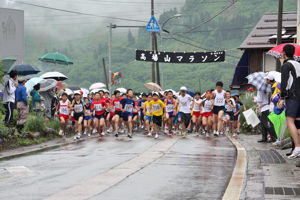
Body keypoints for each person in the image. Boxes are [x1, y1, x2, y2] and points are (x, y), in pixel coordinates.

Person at [279, 44, 300, 159]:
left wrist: (282, 97)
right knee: (298, 123)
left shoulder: (286, 65)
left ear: (284, 53)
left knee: (290, 122)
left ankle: (297, 148)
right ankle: (298, 147)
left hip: (292, 96)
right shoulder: (298, 64)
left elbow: (285, 81)